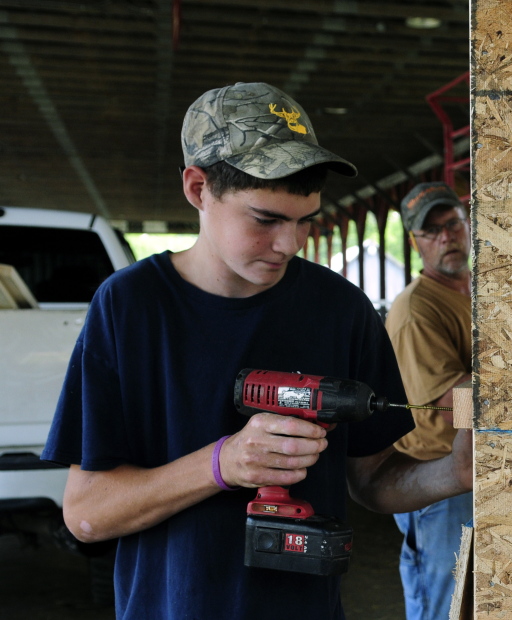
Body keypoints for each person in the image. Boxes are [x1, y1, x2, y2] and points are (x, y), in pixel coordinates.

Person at [41, 82, 472, 620]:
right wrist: (224, 462)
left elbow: (373, 480)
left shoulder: (341, 308)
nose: (290, 244)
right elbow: (86, 515)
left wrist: (452, 475)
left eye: (306, 219)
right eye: (265, 220)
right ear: (198, 189)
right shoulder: (130, 306)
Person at [385, 181, 473, 620]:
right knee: (444, 600)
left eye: (452, 223)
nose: (446, 237)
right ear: (416, 242)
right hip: (438, 479)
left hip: (478, 466)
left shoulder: (483, 292)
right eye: (432, 230)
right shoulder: (416, 311)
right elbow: (454, 401)